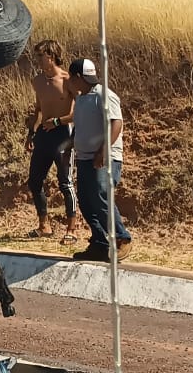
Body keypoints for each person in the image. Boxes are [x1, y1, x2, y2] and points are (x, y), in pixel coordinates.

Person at [67, 58, 134, 262]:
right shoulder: (80, 99)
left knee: (101, 197)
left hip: (105, 158)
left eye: (72, 78)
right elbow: (78, 127)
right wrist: (69, 147)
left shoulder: (104, 95)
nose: (70, 81)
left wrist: (103, 151)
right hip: (85, 158)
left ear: (78, 77)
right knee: (87, 202)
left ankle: (123, 239)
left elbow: (116, 123)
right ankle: (99, 243)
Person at [25, 40, 78, 244]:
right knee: (34, 181)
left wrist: (57, 121)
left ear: (51, 55)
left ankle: (72, 228)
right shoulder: (37, 81)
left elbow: (78, 112)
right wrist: (31, 133)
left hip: (63, 135)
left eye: (40, 56)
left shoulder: (67, 80)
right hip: (43, 136)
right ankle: (44, 225)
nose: (37, 59)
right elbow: (38, 109)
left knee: (65, 183)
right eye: (37, 56)